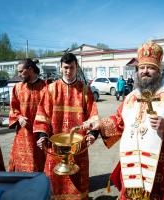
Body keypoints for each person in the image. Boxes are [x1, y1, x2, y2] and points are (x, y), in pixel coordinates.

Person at [81, 41, 164, 200]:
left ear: (159, 70)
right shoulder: (132, 96)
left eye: (150, 68)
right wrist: (100, 124)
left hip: (162, 166)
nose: (145, 71)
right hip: (133, 165)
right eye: (142, 68)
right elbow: (119, 121)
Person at [34, 53, 99, 200]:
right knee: (54, 183)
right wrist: (42, 135)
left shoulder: (84, 90)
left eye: (71, 68)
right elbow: (42, 115)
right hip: (55, 147)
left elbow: (93, 116)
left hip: (78, 148)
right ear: (61, 68)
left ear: (76, 67)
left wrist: (92, 134)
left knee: (78, 184)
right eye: (65, 68)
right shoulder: (51, 89)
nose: (68, 71)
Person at [8, 58, 46, 172]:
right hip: (23, 134)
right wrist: (19, 117)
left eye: (20, 71)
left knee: (40, 163)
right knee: (21, 163)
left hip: (40, 133)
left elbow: (50, 111)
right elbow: (13, 107)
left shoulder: (46, 87)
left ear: (30, 69)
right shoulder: (17, 87)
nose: (18, 75)